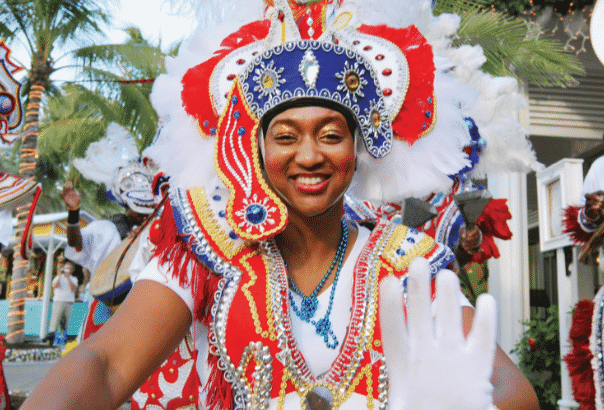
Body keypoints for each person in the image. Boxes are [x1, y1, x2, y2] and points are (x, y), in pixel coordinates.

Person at [22, 1, 538, 409]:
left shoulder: (407, 263)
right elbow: (105, 364)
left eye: (331, 135)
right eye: (287, 136)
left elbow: (510, 389)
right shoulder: (210, 249)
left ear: (357, 148)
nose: (309, 155)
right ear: (256, 147)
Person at [43, 260, 78, 345]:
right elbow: (54, 286)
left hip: (69, 303)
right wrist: (59, 276)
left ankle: (61, 340)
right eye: (65, 269)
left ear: (72, 270)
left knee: (66, 323)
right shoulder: (58, 277)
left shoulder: (73, 279)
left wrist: (68, 278)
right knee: (54, 321)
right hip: (58, 301)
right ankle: (50, 339)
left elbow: (73, 288)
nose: (66, 270)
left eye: (68, 269)